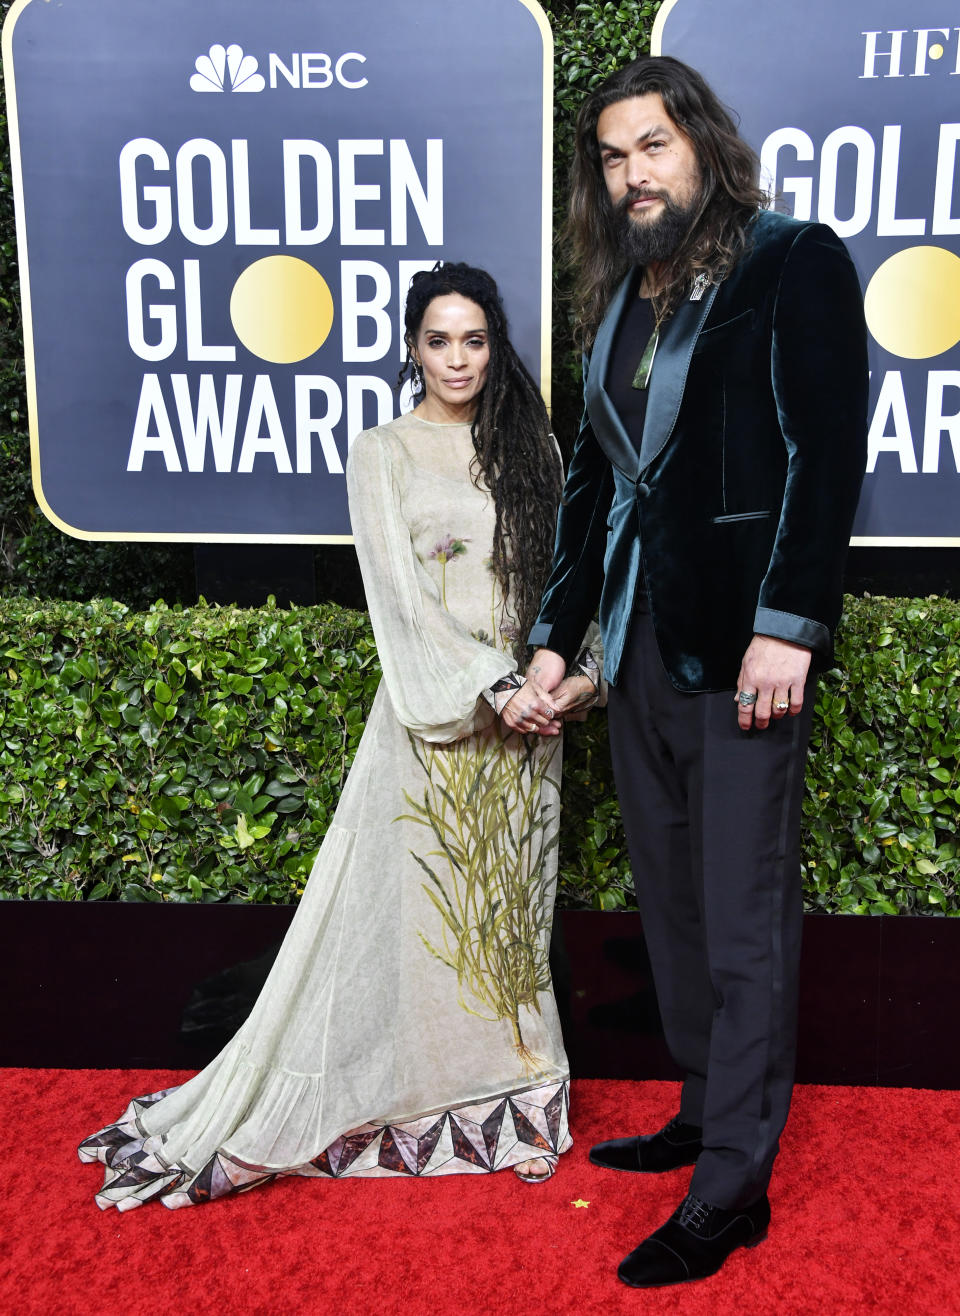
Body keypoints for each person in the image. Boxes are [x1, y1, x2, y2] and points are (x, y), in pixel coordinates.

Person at [78, 263, 601, 1208]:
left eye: (475, 340)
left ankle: (522, 1099)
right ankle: (402, 1097)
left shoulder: (538, 450)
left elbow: (572, 580)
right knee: (410, 925)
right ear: (411, 347)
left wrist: (569, 679)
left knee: (510, 924)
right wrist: (492, 687)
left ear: (498, 346)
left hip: (532, 727)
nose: (458, 359)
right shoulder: (383, 451)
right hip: (440, 720)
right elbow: (399, 606)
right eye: (438, 341)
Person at [521, 56, 869, 1286]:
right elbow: (597, 487)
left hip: (743, 651)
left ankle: (734, 1186)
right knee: (670, 906)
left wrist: (789, 621)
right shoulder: (620, 295)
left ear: (703, 145)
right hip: (639, 653)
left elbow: (824, 456)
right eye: (613, 158)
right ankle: (700, 1104)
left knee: (740, 916)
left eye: (653, 147)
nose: (633, 175)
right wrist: (558, 640)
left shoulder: (791, 259)